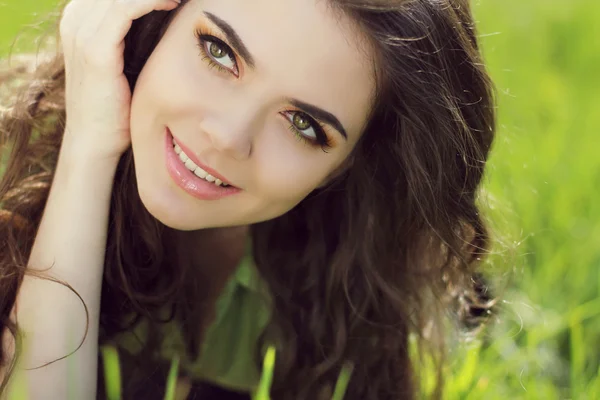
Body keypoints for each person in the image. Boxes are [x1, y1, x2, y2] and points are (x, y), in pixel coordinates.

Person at [0, 0, 497, 398]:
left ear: (345, 164)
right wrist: (87, 146)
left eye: (304, 125)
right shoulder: (13, 177)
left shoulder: (354, 289)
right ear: (156, 17)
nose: (227, 137)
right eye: (218, 52)